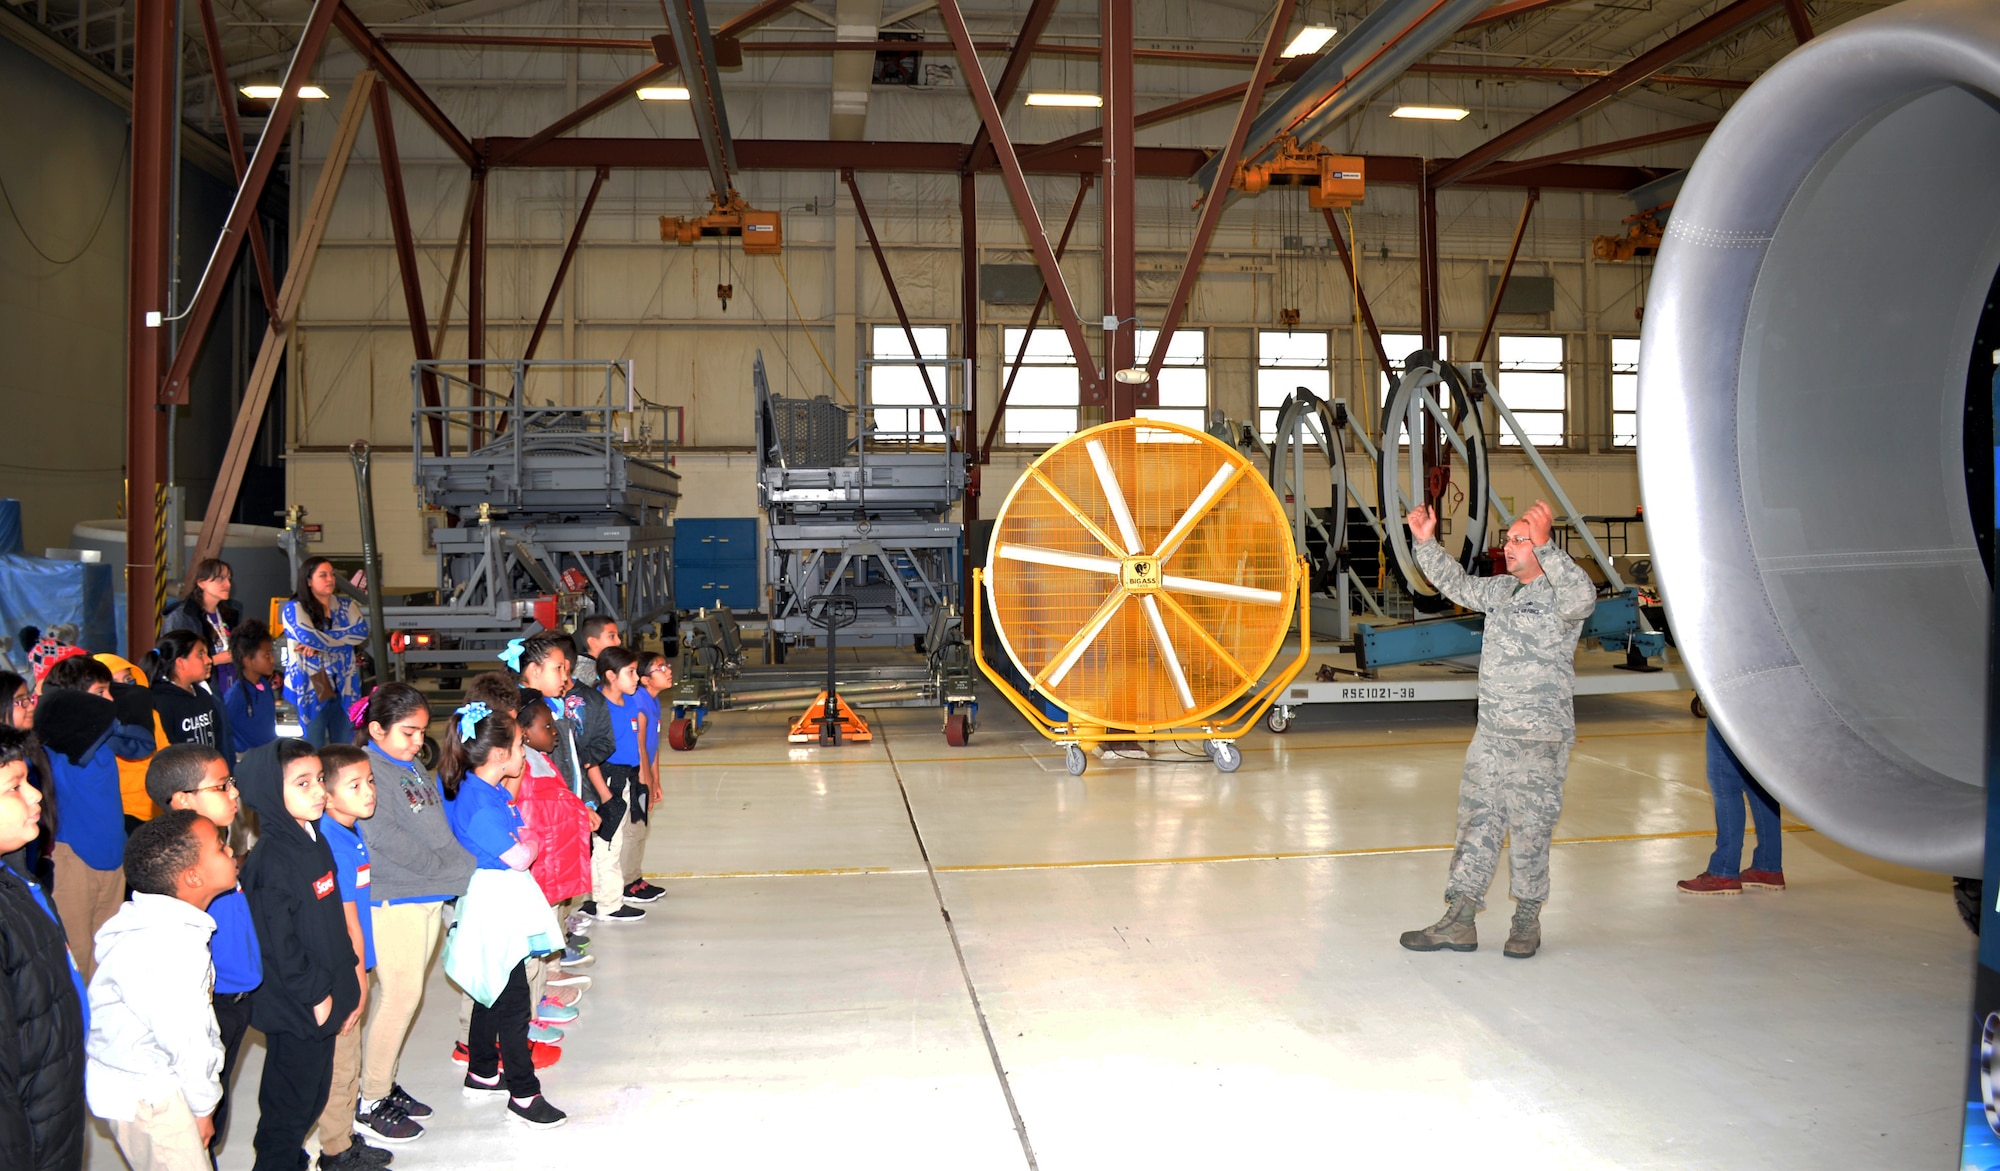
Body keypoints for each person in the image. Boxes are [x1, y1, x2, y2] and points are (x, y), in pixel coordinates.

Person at [1398, 501, 1596, 960]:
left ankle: (1526, 919)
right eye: (1507, 540)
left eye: (1518, 539)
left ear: (1542, 545)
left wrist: (1547, 547)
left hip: (1536, 739)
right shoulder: (1503, 591)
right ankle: (1460, 919)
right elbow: (1457, 584)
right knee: (1477, 824)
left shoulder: (1560, 594)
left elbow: (1584, 599)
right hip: (1490, 734)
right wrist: (1426, 543)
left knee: (1531, 829)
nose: (1508, 547)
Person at [438, 703, 568, 1130]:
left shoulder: (483, 789)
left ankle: (481, 1071)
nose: (522, 750)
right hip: (494, 906)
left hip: (497, 901)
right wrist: (530, 841)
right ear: (497, 755)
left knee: (491, 992)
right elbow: (517, 855)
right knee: (513, 1002)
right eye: (517, 745)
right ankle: (524, 1093)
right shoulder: (479, 803)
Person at [85, 810, 236, 1171]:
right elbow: (187, 1040)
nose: (230, 852)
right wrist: (203, 1108)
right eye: (219, 847)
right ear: (193, 877)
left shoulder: (161, 924)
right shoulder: (169, 946)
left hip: (151, 1085)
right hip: (151, 1096)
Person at [353, 684, 471, 1144]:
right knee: (400, 998)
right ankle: (371, 1100)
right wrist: (442, 869)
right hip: (396, 897)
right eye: (407, 732)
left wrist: (452, 866)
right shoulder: (371, 771)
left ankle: (382, 1081)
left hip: (425, 893)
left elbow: (433, 823)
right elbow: (384, 838)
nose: (418, 741)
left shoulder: (407, 764)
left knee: (405, 996)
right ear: (376, 729)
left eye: (422, 731)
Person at [237, 739, 361, 1171]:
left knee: (312, 1095)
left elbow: (329, 923)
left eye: (320, 780)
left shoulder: (314, 840)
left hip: (326, 994)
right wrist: (316, 996)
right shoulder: (271, 861)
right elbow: (279, 944)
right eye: (303, 783)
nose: (318, 792)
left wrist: (346, 979)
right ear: (271, 791)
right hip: (299, 1006)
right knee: (288, 1107)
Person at [145, 744, 263, 1164]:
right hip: (212, 1005)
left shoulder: (221, 844)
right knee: (200, 1109)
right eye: (220, 785)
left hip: (239, 993)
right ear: (182, 802)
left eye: (231, 782)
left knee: (219, 1094)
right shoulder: (180, 872)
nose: (233, 792)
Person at [0, 724, 88, 1171]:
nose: (35, 796)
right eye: (15, 786)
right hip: (28, 1135)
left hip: (53, 1104)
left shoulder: (18, 877)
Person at [35, 668, 155, 979]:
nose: (110, 700)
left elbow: (140, 743)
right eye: (101, 692)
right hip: (72, 858)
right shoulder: (55, 742)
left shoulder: (104, 738)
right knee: (77, 957)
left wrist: (115, 697)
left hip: (113, 857)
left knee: (107, 956)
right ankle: (79, 1028)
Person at [312, 744, 400, 1166]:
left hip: (354, 965)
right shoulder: (333, 843)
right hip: (346, 969)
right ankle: (336, 1150)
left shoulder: (349, 831)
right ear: (326, 795)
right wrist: (360, 978)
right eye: (355, 785)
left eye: (369, 782)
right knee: (341, 1065)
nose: (368, 792)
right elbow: (348, 920)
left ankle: (342, 1136)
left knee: (348, 1059)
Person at [1678, 722, 1787, 895]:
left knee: (1724, 780)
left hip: (1731, 702)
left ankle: (1724, 871)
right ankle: (1767, 866)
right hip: (1764, 709)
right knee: (1758, 780)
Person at [282, 558, 369, 749]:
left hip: (344, 686)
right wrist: (344, 642)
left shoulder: (346, 605)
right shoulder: (294, 608)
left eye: (332, 574)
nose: (330, 579)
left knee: (345, 748)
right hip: (310, 687)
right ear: (308, 580)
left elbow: (361, 632)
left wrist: (321, 642)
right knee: (312, 747)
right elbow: (307, 636)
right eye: (323, 575)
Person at [591, 646, 650, 925]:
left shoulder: (631, 702)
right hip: (609, 779)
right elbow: (590, 756)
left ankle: (598, 897)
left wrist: (641, 774)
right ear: (610, 676)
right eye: (630, 672)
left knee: (612, 841)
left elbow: (636, 742)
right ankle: (609, 904)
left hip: (627, 776)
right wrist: (604, 792)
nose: (636, 677)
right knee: (608, 843)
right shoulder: (599, 708)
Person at [147, 631, 233, 769]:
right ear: (180, 662)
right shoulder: (161, 702)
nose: (208, 660)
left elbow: (219, 741)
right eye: (200, 654)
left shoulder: (203, 695)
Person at [624, 652, 670, 906]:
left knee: (642, 827)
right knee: (634, 828)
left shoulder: (654, 701)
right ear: (645, 679)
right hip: (635, 773)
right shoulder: (639, 702)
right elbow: (640, 745)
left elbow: (655, 745)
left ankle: (635, 876)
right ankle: (626, 882)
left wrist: (657, 780)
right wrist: (647, 780)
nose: (668, 670)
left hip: (646, 772)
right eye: (660, 668)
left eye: (667, 665)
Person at [164, 559, 241, 698]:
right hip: (203, 691)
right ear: (201, 583)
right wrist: (216, 659)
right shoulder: (183, 617)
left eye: (229, 579)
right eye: (220, 579)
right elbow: (175, 661)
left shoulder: (229, 614)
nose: (228, 584)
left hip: (230, 687)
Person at [224, 623, 281, 757]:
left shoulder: (264, 685)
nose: (272, 660)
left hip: (268, 755)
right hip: (248, 760)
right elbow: (223, 729)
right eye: (266, 655)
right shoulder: (235, 695)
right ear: (248, 660)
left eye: (271, 654)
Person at [568, 615, 621, 688]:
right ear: (593, 642)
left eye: (618, 636)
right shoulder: (584, 673)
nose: (619, 641)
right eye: (612, 636)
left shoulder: (601, 666)